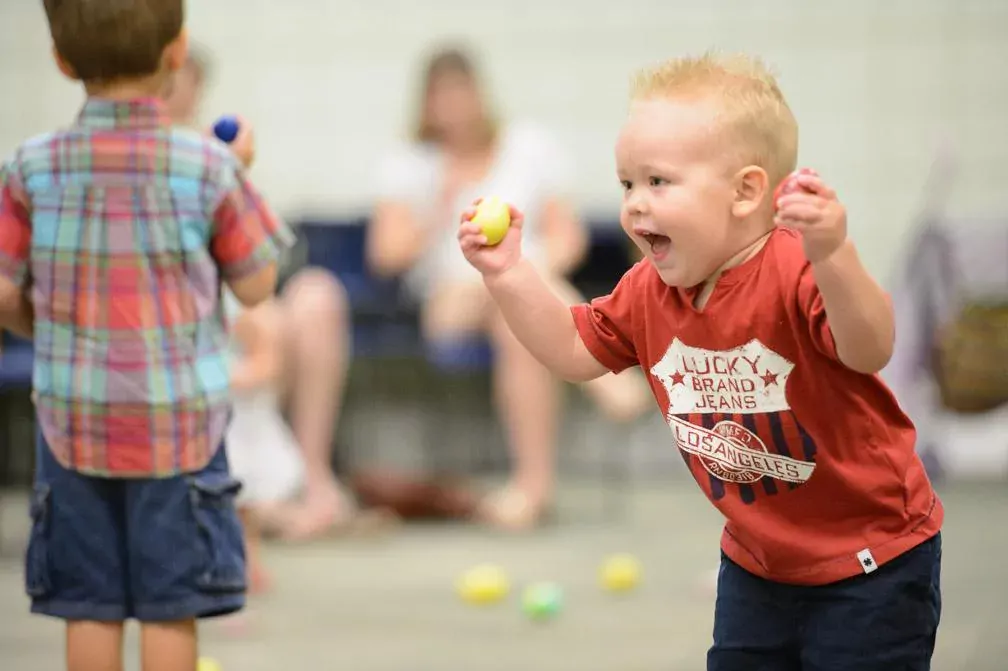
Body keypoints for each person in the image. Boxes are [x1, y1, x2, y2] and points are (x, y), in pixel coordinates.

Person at [456, 53, 943, 669]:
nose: (635, 204)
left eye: (658, 182)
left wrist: (834, 253)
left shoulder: (795, 269)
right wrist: (508, 274)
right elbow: (573, 350)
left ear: (745, 192)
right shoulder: (647, 289)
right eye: (626, 183)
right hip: (756, 562)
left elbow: (871, 346)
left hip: (870, 559)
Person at [0, 1, 292, 669]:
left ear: (62, 60)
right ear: (177, 50)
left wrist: (48, 328)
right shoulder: (206, 165)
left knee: (89, 604)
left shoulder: (31, 166)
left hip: (71, 427)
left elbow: (2, 290)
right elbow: (257, 284)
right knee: (170, 604)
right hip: (178, 431)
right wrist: (238, 169)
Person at [369, 47, 651, 530]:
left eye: (463, 93)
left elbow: (568, 237)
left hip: (525, 280)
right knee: (512, 288)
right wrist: (439, 204)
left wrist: (522, 271)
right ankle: (609, 380)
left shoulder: (530, 147)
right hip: (447, 301)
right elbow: (386, 255)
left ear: (480, 94)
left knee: (515, 311)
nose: (455, 107)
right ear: (427, 104)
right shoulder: (413, 163)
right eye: (443, 97)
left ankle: (532, 490)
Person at [164, 48, 362, 542]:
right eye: (172, 77)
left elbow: (253, 280)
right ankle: (252, 509)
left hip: (223, 322)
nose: (182, 90)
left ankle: (303, 482)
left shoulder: (207, 158)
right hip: (169, 343)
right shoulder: (184, 164)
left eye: (190, 80)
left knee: (313, 296)